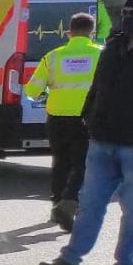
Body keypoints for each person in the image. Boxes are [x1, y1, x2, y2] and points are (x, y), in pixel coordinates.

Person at [41, 0, 133, 265]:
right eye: (127, 13)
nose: (129, 19)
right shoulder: (113, 46)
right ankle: (70, 260)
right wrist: (88, 115)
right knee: (90, 203)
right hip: (101, 140)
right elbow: (98, 86)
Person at [24, 12, 102, 230]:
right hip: (87, 118)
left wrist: (48, 93)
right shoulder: (101, 55)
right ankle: (69, 204)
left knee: (60, 161)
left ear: (69, 32)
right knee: (82, 163)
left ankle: (57, 205)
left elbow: (31, 90)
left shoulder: (53, 56)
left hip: (57, 118)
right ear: (92, 33)